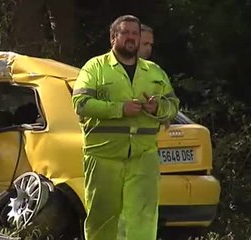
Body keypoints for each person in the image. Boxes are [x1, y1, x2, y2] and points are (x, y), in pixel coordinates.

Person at [72, 15, 179, 240]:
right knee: (103, 218)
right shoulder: (95, 67)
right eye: (125, 32)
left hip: (144, 158)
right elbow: (80, 104)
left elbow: (173, 107)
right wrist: (119, 109)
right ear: (113, 38)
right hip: (103, 157)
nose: (131, 38)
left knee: (143, 218)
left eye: (135, 33)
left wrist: (157, 108)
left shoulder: (154, 72)